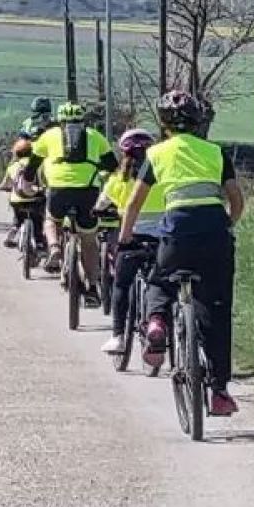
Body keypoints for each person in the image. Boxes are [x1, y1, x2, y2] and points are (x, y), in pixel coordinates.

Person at [118, 89, 246, 417]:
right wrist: (226, 226)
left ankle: (158, 320)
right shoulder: (216, 153)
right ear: (198, 121)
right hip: (215, 230)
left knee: (160, 278)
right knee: (216, 311)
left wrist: (125, 237)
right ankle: (218, 391)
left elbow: (134, 202)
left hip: (176, 230)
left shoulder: (156, 154)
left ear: (164, 124)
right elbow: (237, 201)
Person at [26, 102, 115, 297]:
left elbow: (32, 166)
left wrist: (27, 186)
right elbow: (113, 166)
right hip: (88, 192)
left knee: (51, 219)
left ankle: (55, 248)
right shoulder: (95, 136)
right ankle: (92, 286)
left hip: (58, 190)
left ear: (60, 121)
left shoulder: (48, 136)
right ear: (83, 120)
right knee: (89, 237)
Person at [98, 129, 162, 358]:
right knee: (161, 283)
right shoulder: (162, 175)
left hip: (132, 237)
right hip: (162, 239)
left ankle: (118, 336)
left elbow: (102, 204)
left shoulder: (118, 179)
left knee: (122, 284)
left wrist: (98, 210)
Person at [0, 137, 45, 251]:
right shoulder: (38, 165)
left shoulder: (12, 166)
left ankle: (13, 232)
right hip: (35, 198)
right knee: (38, 220)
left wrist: (4, 188)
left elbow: (5, 184)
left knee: (18, 218)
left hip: (17, 200)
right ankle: (39, 242)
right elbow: (44, 181)